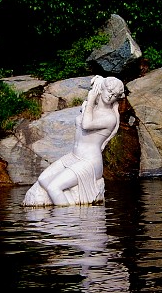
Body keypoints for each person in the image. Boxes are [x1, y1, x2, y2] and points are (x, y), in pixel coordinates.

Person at [22, 75, 126, 206]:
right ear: (102, 89)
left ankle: (65, 219)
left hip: (89, 163)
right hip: (73, 157)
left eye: (115, 95)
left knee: (54, 187)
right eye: (109, 92)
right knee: (43, 179)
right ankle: (70, 204)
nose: (111, 97)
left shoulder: (110, 118)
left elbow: (86, 125)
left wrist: (90, 99)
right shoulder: (92, 108)